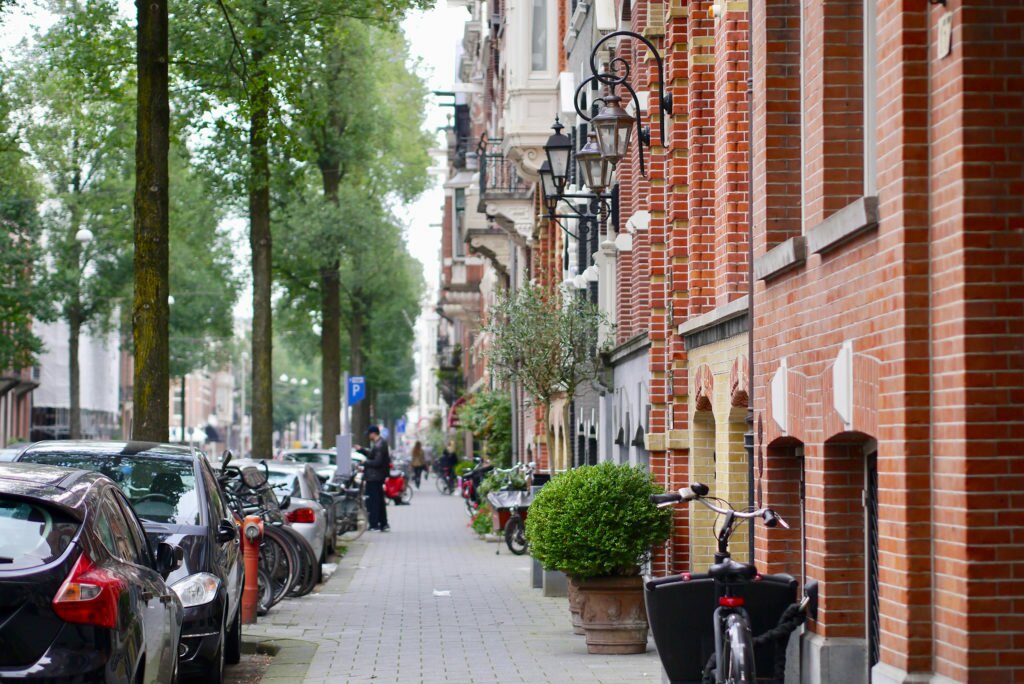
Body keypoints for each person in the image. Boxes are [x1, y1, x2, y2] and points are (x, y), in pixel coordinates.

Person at [359, 425, 391, 531]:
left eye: (369, 434)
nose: (368, 436)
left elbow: (377, 461)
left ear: (373, 433)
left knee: (373, 501)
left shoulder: (379, 445)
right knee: (379, 500)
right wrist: (362, 450)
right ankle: (383, 523)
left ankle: (374, 524)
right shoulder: (380, 443)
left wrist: (365, 462)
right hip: (378, 477)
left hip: (374, 477)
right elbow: (374, 456)